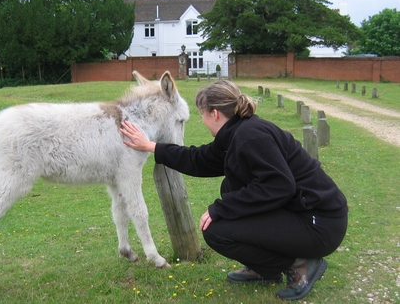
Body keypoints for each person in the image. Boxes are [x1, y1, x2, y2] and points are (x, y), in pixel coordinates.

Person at [120, 80, 348, 301]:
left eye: (202, 113)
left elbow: (279, 185)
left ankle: (300, 265)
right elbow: (199, 159)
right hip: (302, 213)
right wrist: (151, 146)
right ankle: (265, 268)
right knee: (230, 190)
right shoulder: (234, 135)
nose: (202, 120)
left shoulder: (251, 136)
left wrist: (220, 208)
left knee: (218, 230)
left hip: (320, 223)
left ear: (215, 114)